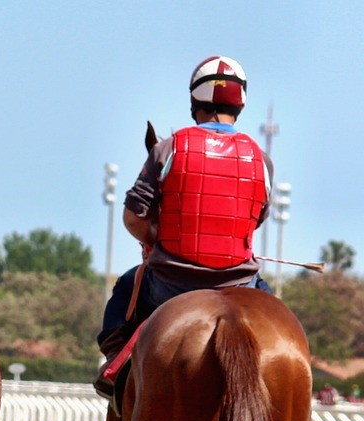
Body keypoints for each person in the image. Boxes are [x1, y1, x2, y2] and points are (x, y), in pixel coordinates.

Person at [94, 56, 273, 398]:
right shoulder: (261, 159)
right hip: (242, 284)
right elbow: (256, 220)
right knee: (280, 318)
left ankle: (116, 365)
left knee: (124, 287)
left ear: (195, 101)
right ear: (241, 103)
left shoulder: (168, 148)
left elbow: (134, 216)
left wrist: (155, 239)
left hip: (170, 285)